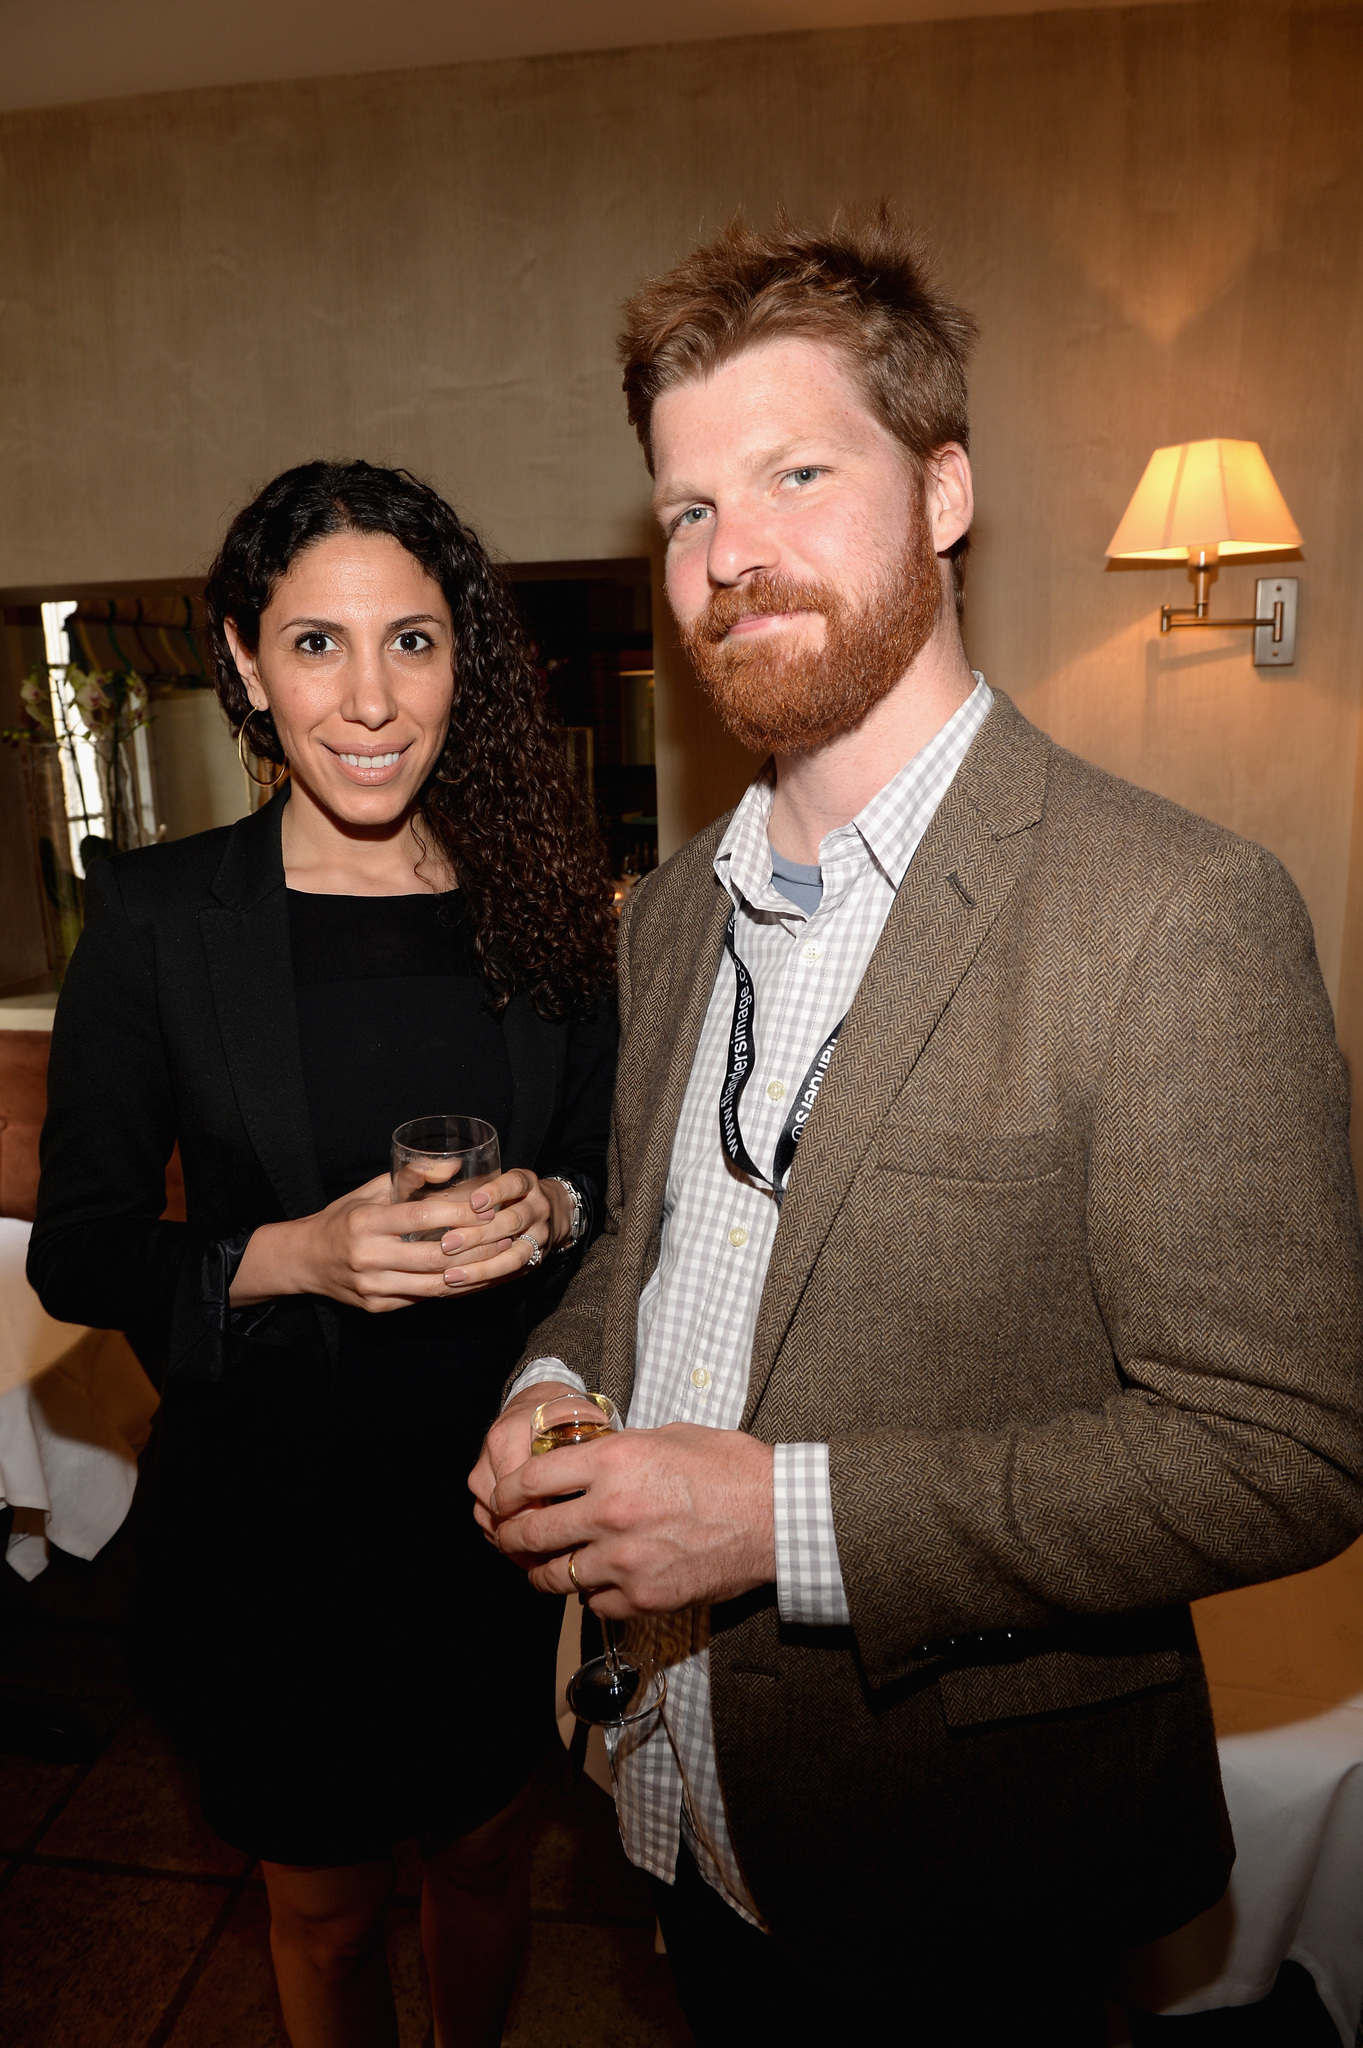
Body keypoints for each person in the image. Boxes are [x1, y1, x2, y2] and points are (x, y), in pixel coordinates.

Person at [470, 213, 1363, 2044]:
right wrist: (548, 1392)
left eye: (798, 471)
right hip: (689, 1811)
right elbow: (645, 1247)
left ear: (943, 490)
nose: (734, 556)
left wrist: (775, 1519)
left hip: (971, 1872)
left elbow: (1286, 1446)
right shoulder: (675, 913)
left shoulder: (1172, 912)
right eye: (692, 509)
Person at [28, 460, 618, 2048]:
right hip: (277, 1534)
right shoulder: (158, 920)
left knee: (492, 1857)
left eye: (412, 644)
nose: (369, 700)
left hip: (493, 1516)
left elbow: (614, 1175)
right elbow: (77, 1256)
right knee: (326, 1908)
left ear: (461, 661)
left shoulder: (543, 908)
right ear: (242, 658)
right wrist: (291, 1255)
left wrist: (557, 1210)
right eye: (316, 644)